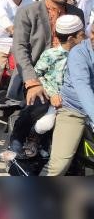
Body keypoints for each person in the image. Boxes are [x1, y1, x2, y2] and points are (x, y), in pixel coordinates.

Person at [10, 0, 84, 156]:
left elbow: (81, 46)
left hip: (69, 75)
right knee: (40, 103)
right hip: (37, 73)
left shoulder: (77, 13)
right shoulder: (28, 12)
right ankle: (19, 138)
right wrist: (32, 82)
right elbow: (19, 48)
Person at [28, 15, 86, 157]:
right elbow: (37, 75)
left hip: (78, 102)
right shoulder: (51, 55)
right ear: (71, 39)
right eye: (82, 35)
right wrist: (53, 93)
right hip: (56, 101)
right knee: (46, 124)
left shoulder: (84, 55)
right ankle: (33, 139)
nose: (85, 38)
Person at [46, 18, 94, 175]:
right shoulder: (79, 53)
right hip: (74, 110)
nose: (92, 37)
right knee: (59, 166)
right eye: (93, 32)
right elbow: (82, 86)